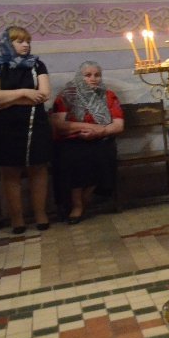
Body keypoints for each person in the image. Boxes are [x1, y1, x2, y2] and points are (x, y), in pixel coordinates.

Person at [0, 26, 52, 233]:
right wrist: (24, 93)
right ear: (8, 43)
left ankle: (40, 214)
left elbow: (43, 94)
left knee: (38, 168)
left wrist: (9, 100)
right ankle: (17, 218)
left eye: (27, 41)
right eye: (20, 41)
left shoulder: (37, 65)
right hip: (5, 127)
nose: (25, 45)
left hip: (34, 123)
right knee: (10, 170)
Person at [50, 62, 125, 224]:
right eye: (88, 75)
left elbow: (118, 125)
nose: (93, 78)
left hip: (101, 139)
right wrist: (90, 127)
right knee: (73, 157)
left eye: (97, 75)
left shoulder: (108, 96)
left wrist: (100, 132)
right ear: (80, 77)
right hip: (72, 141)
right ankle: (77, 204)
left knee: (102, 155)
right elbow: (60, 124)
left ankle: (84, 199)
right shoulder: (67, 96)